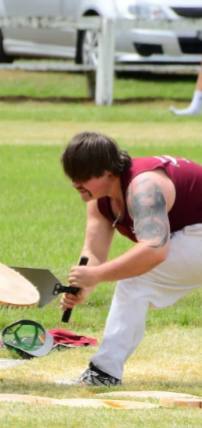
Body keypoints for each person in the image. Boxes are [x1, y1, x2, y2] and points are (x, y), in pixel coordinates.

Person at [58, 131, 202, 386]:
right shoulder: (100, 198)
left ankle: (104, 373)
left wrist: (97, 275)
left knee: (135, 279)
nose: (74, 184)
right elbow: (93, 253)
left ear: (109, 172)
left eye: (83, 176)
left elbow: (155, 249)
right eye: (72, 176)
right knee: (134, 277)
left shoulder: (143, 188)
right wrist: (85, 285)